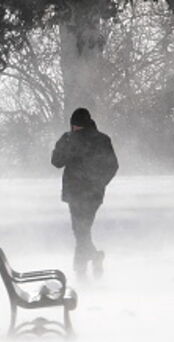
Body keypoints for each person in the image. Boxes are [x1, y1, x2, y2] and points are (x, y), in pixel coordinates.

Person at [51, 107, 118, 279]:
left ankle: (83, 267)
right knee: (82, 230)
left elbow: (56, 162)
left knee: (81, 230)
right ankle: (89, 262)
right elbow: (112, 166)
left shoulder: (75, 139)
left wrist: (98, 183)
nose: (75, 129)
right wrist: (100, 183)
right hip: (88, 193)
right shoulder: (101, 139)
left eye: (76, 126)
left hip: (80, 192)